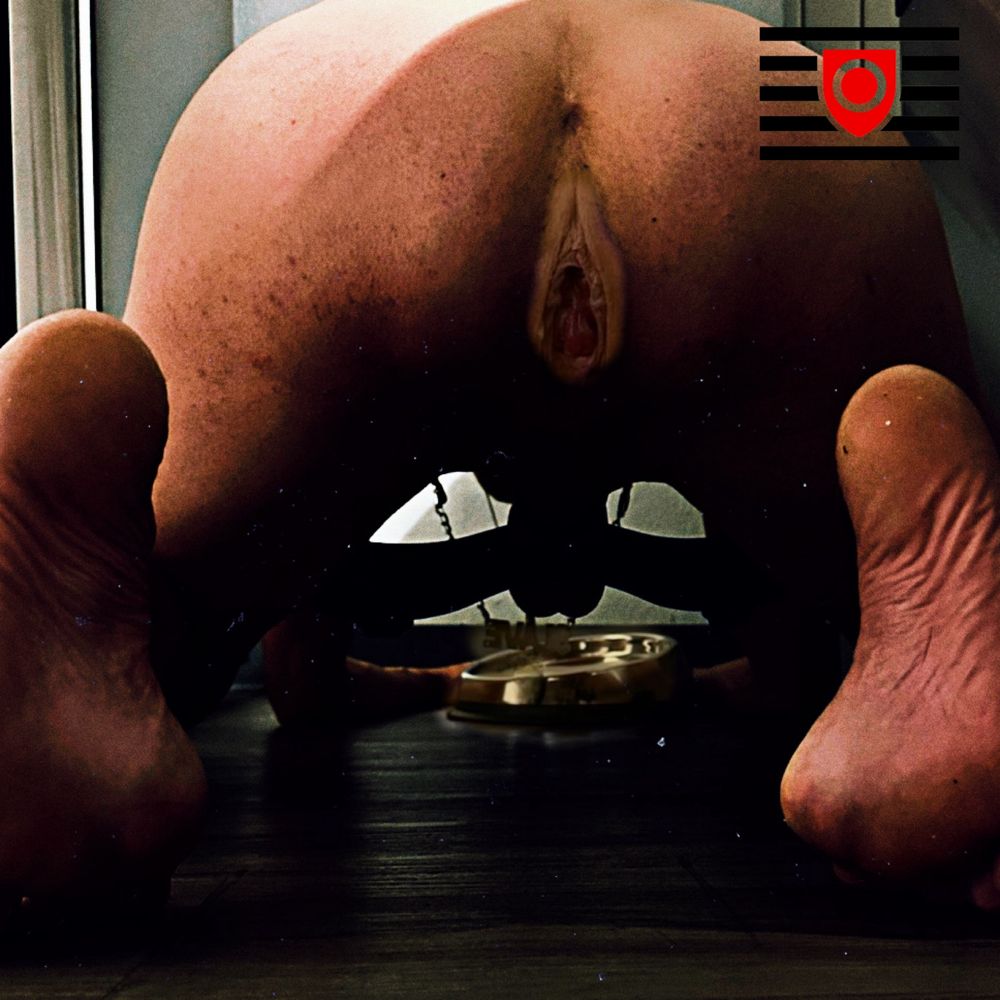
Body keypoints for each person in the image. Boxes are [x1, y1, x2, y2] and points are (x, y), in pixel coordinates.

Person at [5, 0, 1000, 917]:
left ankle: (62, 653)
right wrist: (696, 672)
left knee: (157, 628)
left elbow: (302, 679)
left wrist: (431, 671)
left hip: (316, 116)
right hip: (765, 105)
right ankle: (947, 634)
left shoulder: (353, 46)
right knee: (877, 599)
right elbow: (789, 665)